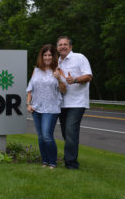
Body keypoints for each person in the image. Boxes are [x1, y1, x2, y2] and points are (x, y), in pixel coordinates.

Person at [26, 44, 66, 169]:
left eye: (50, 55)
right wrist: (28, 104)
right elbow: (30, 89)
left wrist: (59, 79)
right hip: (36, 108)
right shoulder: (36, 70)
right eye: (45, 55)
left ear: (53, 56)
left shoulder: (58, 70)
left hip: (51, 108)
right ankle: (45, 161)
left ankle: (53, 162)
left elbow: (64, 90)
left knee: (47, 136)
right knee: (41, 136)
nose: (47, 57)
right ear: (41, 56)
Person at [56, 36, 92, 169]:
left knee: (71, 131)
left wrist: (75, 80)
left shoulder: (79, 57)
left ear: (70, 47)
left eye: (65, 44)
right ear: (57, 47)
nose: (62, 47)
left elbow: (88, 76)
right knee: (66, 133)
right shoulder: (57, 62)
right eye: (60, 45)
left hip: (77, 102)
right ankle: (69, 157)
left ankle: (71, 164)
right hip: (62, 102)